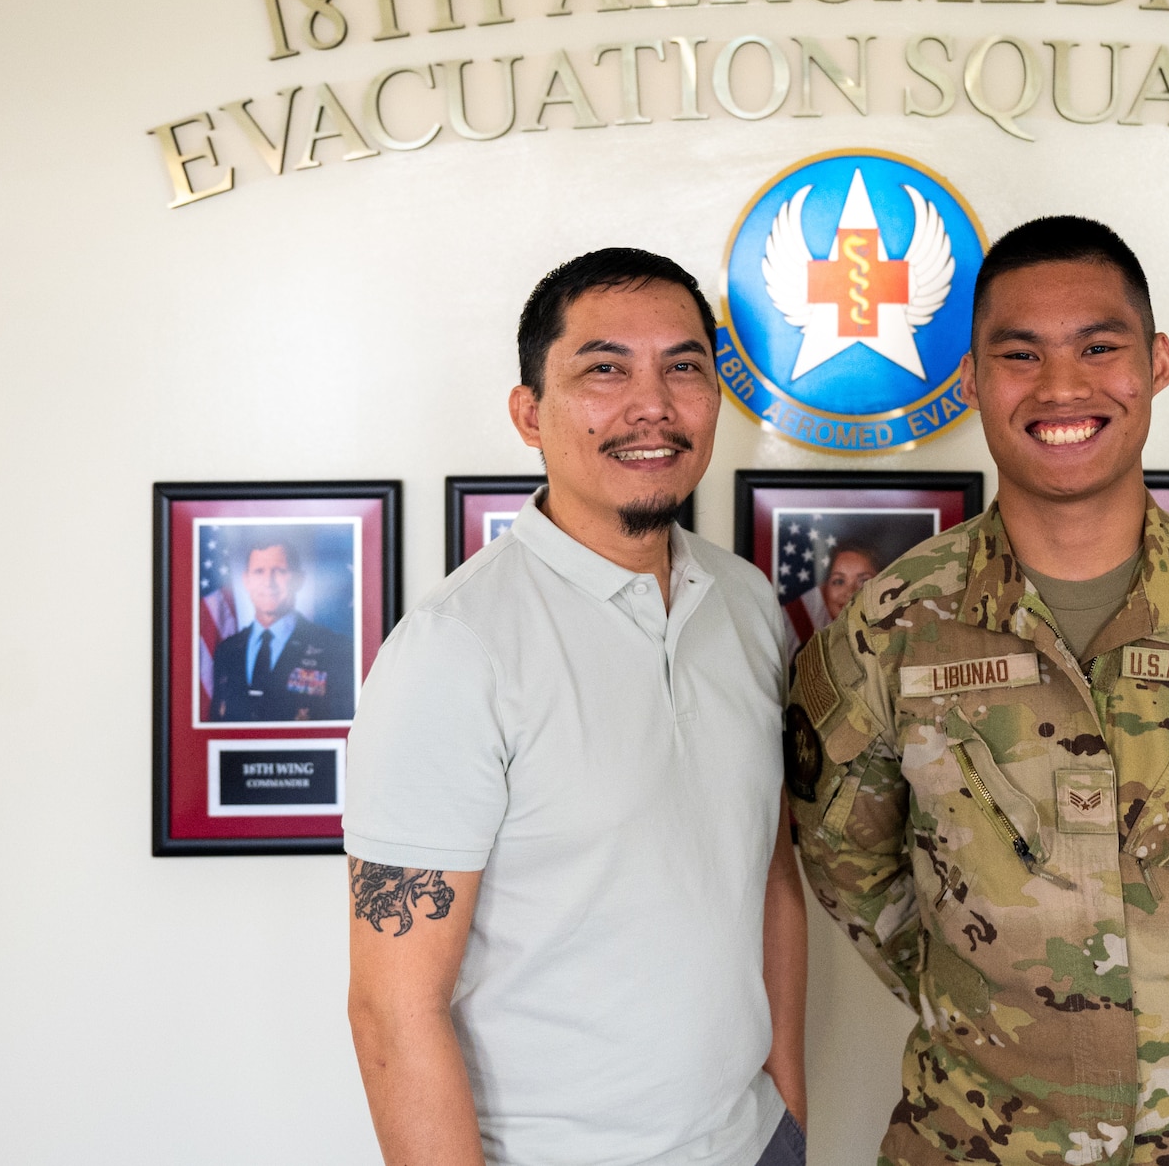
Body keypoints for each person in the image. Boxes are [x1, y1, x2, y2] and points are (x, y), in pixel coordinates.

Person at [785, 216, 1169, 1166]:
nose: (1063, 386)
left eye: (1099, 346)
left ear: (1155, 362)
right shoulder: (891, 628)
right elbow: (848, 868)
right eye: (1020, 353)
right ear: (972, 380)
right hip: (969, 1143)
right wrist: (992, 1015)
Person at [342, 249, 809, 1166]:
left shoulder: (749, 606)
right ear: (529, 414)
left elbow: (770, 874)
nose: (653, 405)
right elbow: (392, 1006)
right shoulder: (454, 650)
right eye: (604, 369)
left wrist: (788, 1106)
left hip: (751, 1143)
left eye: (685, 367)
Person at [208, 537, 355, 722]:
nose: (268, 582)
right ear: (246, 580)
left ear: (299, 580)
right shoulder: (227, 651)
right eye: (259, 572)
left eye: (279, 571)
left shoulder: (334, 648)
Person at [780, 540, 880, 659]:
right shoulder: (807, 656)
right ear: (826, 589)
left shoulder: (898, 651)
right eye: (839, 581)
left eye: (863, 581)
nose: (850, 592)